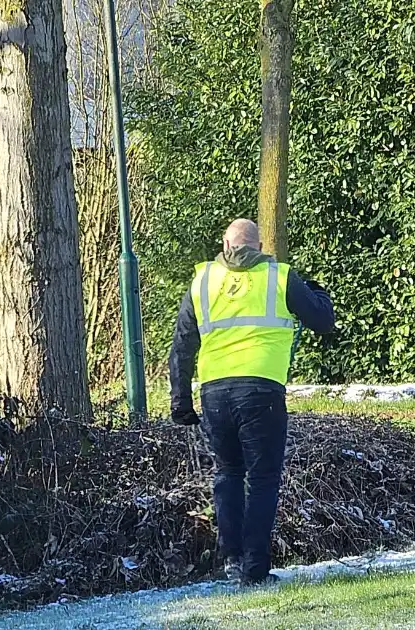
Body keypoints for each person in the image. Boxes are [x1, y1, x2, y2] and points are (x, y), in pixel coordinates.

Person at [168, 218, 335, 586]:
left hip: (214, 392)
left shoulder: (203, 280)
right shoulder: (279, 277)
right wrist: (317, 291)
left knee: (228, 473)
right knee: (262, 479)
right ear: (259, 247)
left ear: (225, 244)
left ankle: (231, 560)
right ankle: (254, 570)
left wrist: (180, 400)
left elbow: (182, 345)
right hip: (261, 390)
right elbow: (323, 320)